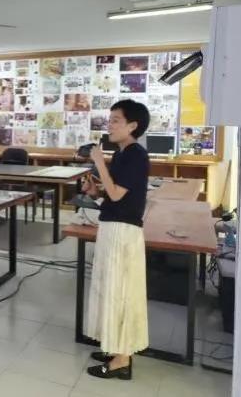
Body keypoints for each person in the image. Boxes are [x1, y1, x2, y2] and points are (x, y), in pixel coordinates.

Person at [80, 99, 151, 380]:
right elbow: (112, 193)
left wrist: (99, 162)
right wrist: (94, 191)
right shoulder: (121, 154)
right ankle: (116, 347)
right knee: (110, 289)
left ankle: (122, 360)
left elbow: (118, 194)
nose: (109, 125)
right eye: (109, 120)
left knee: (120, 293)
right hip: (112, 225)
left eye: (116, 121)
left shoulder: (136, 155)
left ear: (132, 126)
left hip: (123, 230)